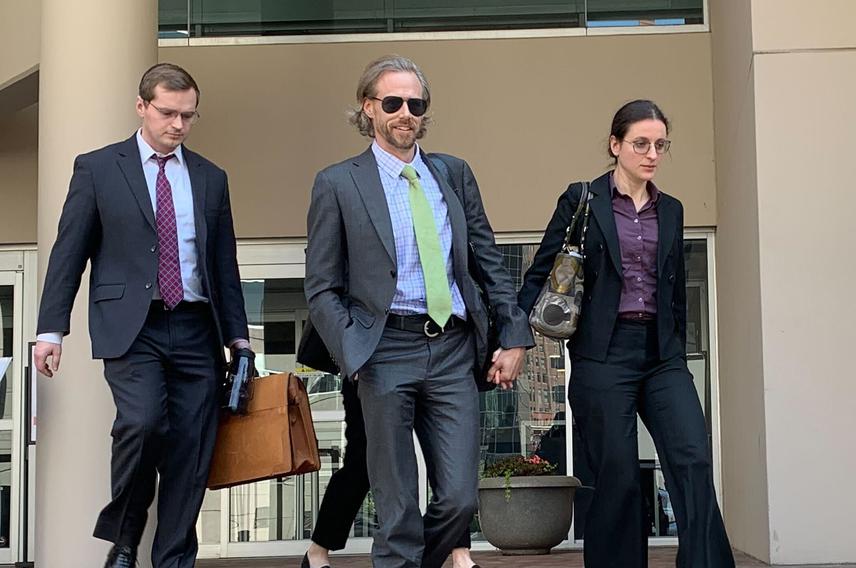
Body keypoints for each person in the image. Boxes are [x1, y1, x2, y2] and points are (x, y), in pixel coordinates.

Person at [304, 54, 534, 568]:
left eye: (416, 103)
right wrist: (354, 351)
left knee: (459, 499)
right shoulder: (338, 183)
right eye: (393, 102)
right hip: (384, 350)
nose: (406, 113)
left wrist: (514, 334)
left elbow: (487, 257)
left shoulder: (451, 172)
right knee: (399, 507)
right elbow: (320, 287)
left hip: (452, 348)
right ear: (369, 108)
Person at [33, 63, 250, 568]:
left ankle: (174, 559)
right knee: (144, 423)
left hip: (198, 327)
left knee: (193, 450)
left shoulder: (211, 178)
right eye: (168, 113)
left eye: (188, 116)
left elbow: (224, 264)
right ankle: (127, 534)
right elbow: (70, 252)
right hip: (133, 327)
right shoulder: (98, 168)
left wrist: (239, 340)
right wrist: (51, 330)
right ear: (142, 106)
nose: (178, 124)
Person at [517, 100, 734, 567]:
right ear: (615, 145)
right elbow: (540, 274)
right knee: (616, 475)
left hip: (662, 355)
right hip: (603, 354)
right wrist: (514, 339)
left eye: (660, 145)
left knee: (693, 458)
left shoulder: (671, 210)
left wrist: (676, 343)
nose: (651, 153)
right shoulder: (583, 200)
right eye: (640, 143)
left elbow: (673, 287)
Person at [300, 377, 479, 568]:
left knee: (448, 463)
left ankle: (460, 554)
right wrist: (354, 360)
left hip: (432, 370)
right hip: (373, 373)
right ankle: (318, 550)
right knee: (360, 464)